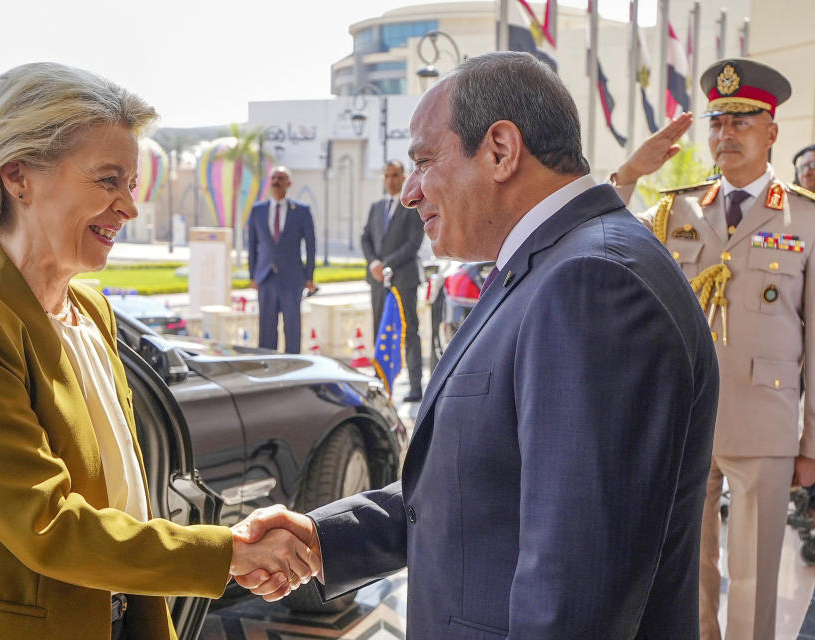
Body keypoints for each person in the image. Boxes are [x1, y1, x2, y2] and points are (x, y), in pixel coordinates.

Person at [233, 51, 719, 638]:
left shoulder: (591, 284)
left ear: (500, 150)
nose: (410, 192)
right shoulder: (551, 266)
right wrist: (324, 537)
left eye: (423, 161)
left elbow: (574, 590)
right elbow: (485, 483)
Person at [0, 62, 318, 640]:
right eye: (107, 180)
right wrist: (227, 553)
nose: (129, 207)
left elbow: (122, 504)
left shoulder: (90, 312)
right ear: (17, 176)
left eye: (131, 184)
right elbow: (47, 524)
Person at [609, 58, 815, 640]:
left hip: (765, 426)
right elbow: (600, 233)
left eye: (741, 121)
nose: (725, 133)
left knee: (752, 585)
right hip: (682, 424)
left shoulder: (805, 217)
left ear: (771, 131)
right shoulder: (676, 209)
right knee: (683, 581)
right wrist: (629, 171)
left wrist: (811, 442)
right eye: (718, 121)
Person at [361, 160, 425, 401]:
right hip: (378, 281)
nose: (391, 180)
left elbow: (414, 243)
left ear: (404, 176)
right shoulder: (376, 207)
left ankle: (416, 386)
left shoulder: (412, 206)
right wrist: (374, 263)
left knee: (409, 332)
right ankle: (380, 381)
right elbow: (365, 238)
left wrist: (387, 263)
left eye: (396, 175)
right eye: (387, 176)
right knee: (380, 330)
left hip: (404, 280)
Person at [247, 167, 316, 353]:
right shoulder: (257, 211)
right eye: (274, 178)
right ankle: (267, 366)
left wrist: (309, 277)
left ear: (289, 183)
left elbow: (310, 246)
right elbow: (252, 246)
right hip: (266, 278)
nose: (277, 181)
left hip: (292, 278)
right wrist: (252, 275)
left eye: (281, 178)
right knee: (266, 328)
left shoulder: (301, 211)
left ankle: (293, 366)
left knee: (292, 328)